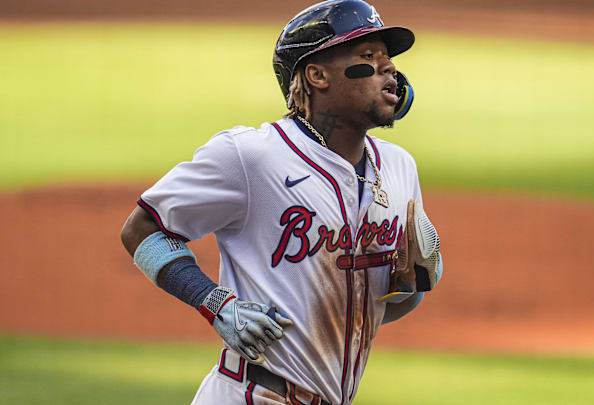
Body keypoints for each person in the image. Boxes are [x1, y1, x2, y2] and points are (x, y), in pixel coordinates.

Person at [120, 1, 442, 404]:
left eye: (387, 57)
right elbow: (142, 229)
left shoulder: (399, 168)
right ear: (317, 75)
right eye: (367, 56)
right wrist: (215, 303)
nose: (389, 67)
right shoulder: (252, 156)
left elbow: (372, 309)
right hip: (249, 394)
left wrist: (415, 284)